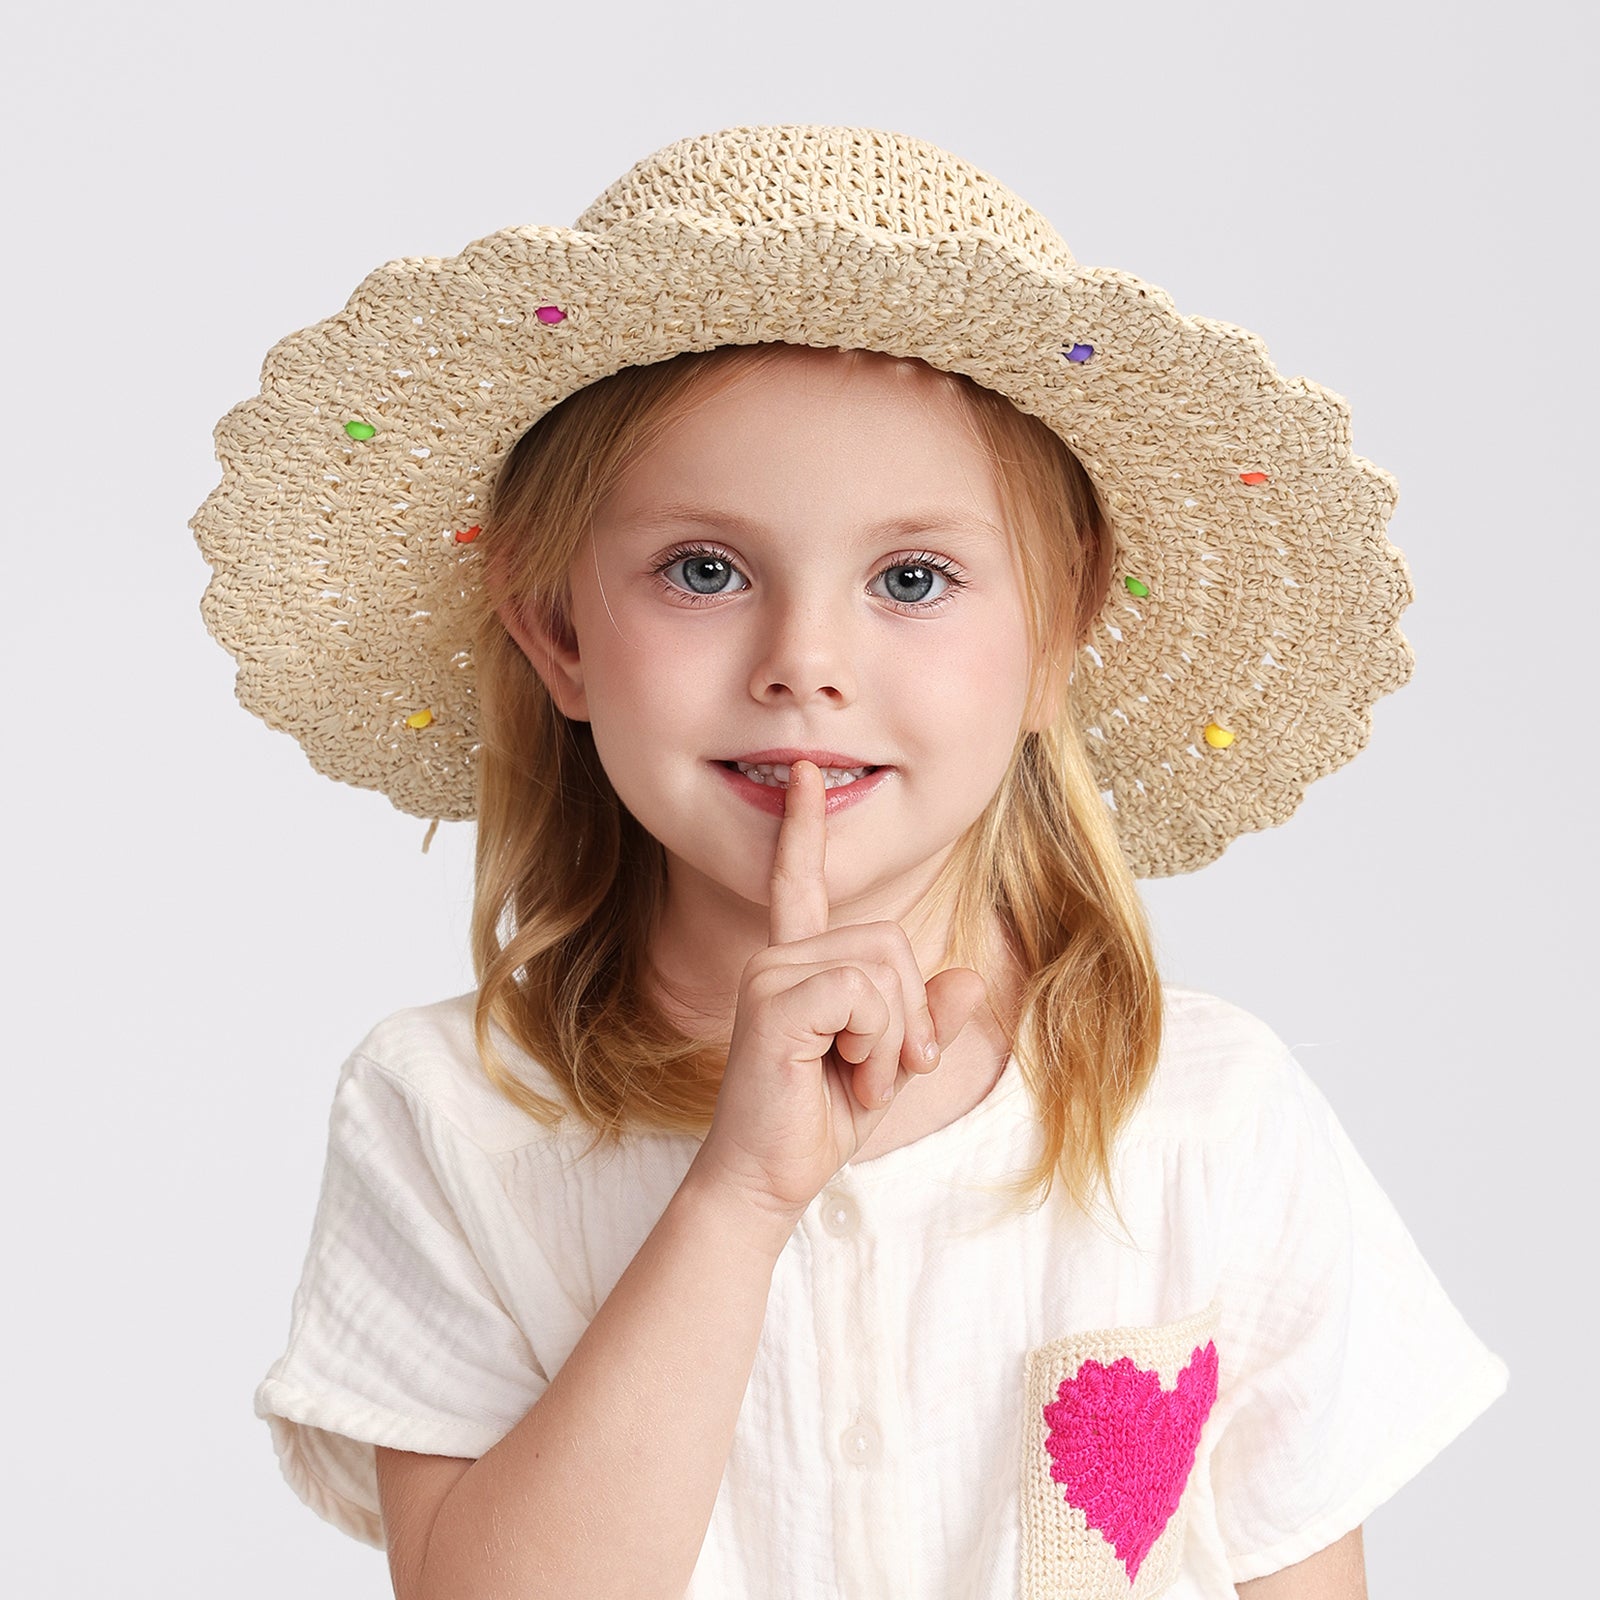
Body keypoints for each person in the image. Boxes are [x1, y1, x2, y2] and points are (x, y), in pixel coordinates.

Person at [193, 125, 1508, 1600]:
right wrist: (736, 1200)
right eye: (704, 571)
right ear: (557, 632)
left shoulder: (1207, 1116)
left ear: (1057, 636)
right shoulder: (452, 1112)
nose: (804, 662)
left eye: (912, 578)